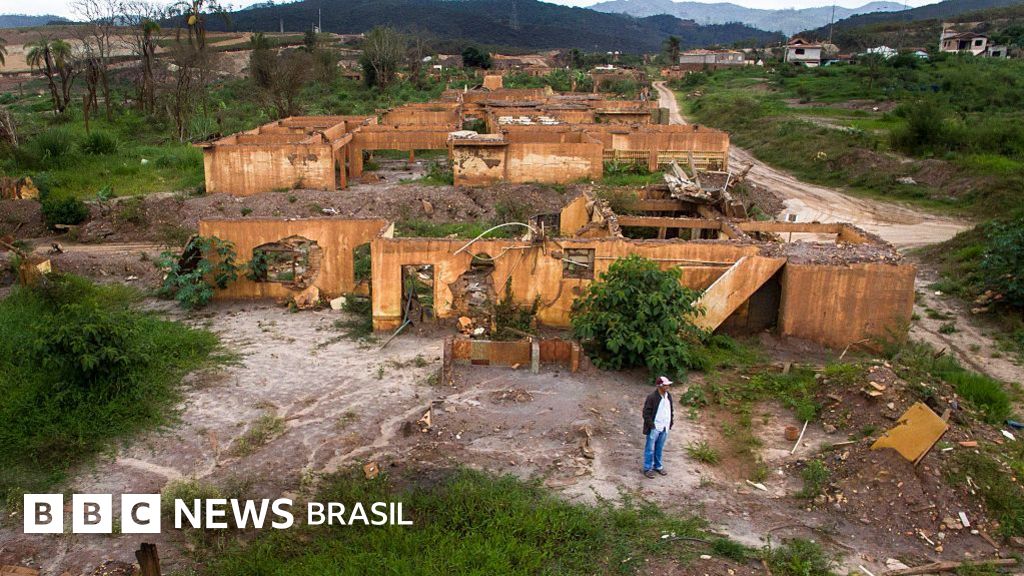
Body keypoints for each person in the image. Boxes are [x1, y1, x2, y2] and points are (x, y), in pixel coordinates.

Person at [641, 376, 674, 478]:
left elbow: (670, 410)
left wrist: (670, 422)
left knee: (659, 447)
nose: (667, 386)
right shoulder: (652, 397)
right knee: (650, 448)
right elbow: (646, 413)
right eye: (665, 385)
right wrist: (652, 425)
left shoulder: (668, 396)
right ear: (660, 386)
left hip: (664, 426)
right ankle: (647, 468)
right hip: (655, 427)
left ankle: (658, 466)